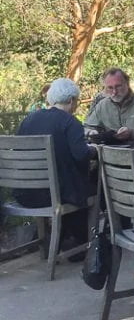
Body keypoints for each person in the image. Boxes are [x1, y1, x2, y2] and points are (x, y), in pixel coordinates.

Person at [16, 78, 97, 249]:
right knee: (94, 188)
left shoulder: (28, 120)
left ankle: (56, 241)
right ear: (71, 100)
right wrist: (94, 150)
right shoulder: (70, 122)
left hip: (24, 194)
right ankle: (80, 245)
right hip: (53, 196)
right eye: (77, 101)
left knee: (67, 182)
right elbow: (81, 155)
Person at [84, 68, 134, 146]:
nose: (114, 92)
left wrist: (132, 133)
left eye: (118, 86)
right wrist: (91, 132)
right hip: (109, 153)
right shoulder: (102, 105)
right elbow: (87, 127)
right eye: (110, 88)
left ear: (127, 84)